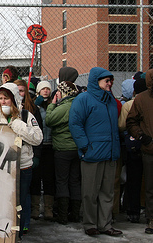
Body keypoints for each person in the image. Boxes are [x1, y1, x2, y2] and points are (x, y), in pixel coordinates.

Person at [69, 67, 122, 237]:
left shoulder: (111, 100)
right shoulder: (83, 99)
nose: (110, 83)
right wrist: (84, 146)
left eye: (110, 80)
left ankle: (105, 224)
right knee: (90, 192)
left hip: (110, 153)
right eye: (106, 80)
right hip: (92, 153)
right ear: (96, 81)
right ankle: (90, 223)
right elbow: (75, 124)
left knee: (108, 192)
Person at [0, 82, 42, 238]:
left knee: (22, 197)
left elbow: (38, 138)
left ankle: (22, 226)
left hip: (23, 166)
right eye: (1, 98)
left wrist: (17, 124)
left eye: (6, 98)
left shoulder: (25, 116)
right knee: (5, 198)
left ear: (13, 99)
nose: (3, 102)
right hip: (2, 166)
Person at [45, 81, 81, 225]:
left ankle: (63, 215)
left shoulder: (65, 106)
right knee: (75, 181)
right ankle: (76, 214)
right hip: (77, 148)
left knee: (62, 181)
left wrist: (52, 104)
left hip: (63, 148)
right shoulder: (79, 103)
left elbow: (49, 120)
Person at [126, 69, 153, 234]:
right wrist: (141, 136)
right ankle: (151, 219)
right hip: (150, 149)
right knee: (150, 187)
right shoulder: (142, 99)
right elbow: (131, 121)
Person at [120, 77, 146, 224]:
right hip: (147, 144)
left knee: (133, 179)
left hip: (133, 145)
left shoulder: (129, 105)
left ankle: (132, 210)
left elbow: (122, 125)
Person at [31, 80, 56, 221]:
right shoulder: (36, 105)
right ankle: (35, 209)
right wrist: (36, 105)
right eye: (43, 89)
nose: (45, 91)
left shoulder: (53, 105)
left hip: (50, 145)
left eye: (48, 89)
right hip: (38, 145)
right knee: (36, 178)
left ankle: (48, 209)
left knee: (48, 178)